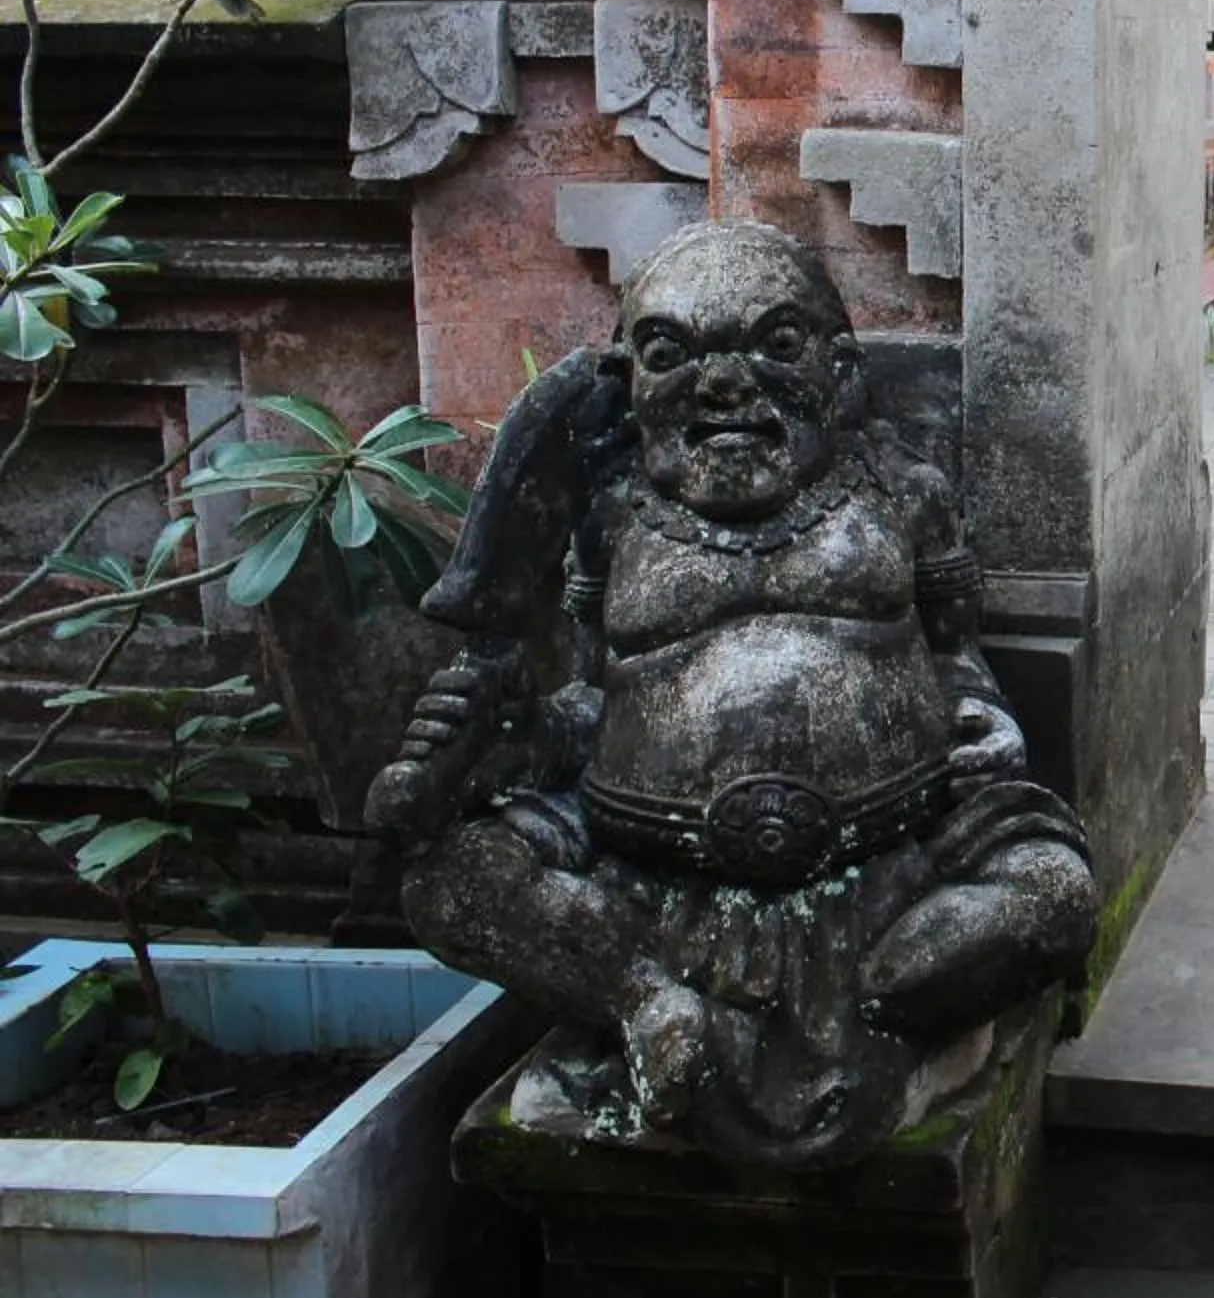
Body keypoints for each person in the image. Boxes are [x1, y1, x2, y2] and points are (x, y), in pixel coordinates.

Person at [372, 222, 1096, 1170]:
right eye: (673, 354)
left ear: (839, 373)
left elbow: (958, 662)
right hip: (651, 868)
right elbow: (593, 700)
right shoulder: (614, 518)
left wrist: (988, 722)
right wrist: (518, 739)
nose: (722, 385)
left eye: (776, 346)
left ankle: (875, 1016)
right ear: (629, 384)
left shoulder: (901, 493)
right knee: (449, 885)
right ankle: (646, 999)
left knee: (1054, 893)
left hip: (889, 861)